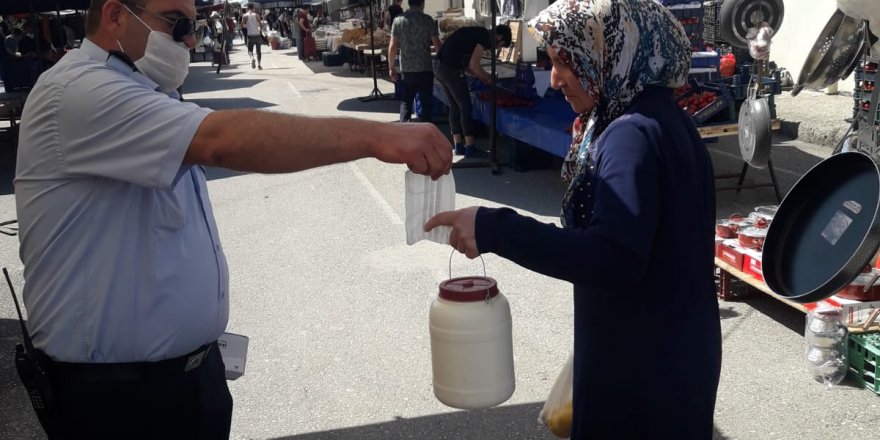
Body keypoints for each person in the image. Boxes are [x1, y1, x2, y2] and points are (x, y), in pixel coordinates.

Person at [13, 0, 452, 438]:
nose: (189, 38)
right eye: (177, 22)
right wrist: (378, 136)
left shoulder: (144, 89)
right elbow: (222, 140)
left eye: (194, 24)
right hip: (119, 401)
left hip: (184, 381)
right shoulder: (80, 90)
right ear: (115, 16)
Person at [425, 0, 721, 438]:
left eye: (566, 61)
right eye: (552, 62)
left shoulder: (629, 135)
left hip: (639, 370)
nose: (556, 78)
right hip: (676, 352)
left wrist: (492, 227)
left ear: (611, 53)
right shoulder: (666, 118)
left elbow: (612, 259)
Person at [433, 24, 511, 157]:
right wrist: (488, 77)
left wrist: (482, 76)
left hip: (439, 66)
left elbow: (469, 68)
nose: (497, 48)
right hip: (450, 69)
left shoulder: (477, 33)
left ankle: (458, 145)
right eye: (500, 45)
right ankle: (470, 146)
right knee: (465, 106)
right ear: (499, 37)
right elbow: (473, 65)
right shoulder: (484, 38)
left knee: (454, 106)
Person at [388, 0, 442, 123]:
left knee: (406, 102)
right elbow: (437, 45)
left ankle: (404, 133)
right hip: (425, 67)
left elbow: (393, 46)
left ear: (409, 3)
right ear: (422, 3)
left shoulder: (398, 20)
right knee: (426, 103)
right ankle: (425, 132)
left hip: (407, 68)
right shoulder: (427, 20)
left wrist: (391, 67)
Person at [241, 2, 262, 69]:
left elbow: (241, 25)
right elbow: (260, 24)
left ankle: (252, 58)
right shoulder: (256, 15)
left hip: (250, 35)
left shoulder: (245, 16)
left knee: (250, 50)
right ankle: (259, 65)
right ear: (253, 8)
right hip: (257, 35)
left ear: (247, 8)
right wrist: (260, 31)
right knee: (258, 51)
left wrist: (247, 25)